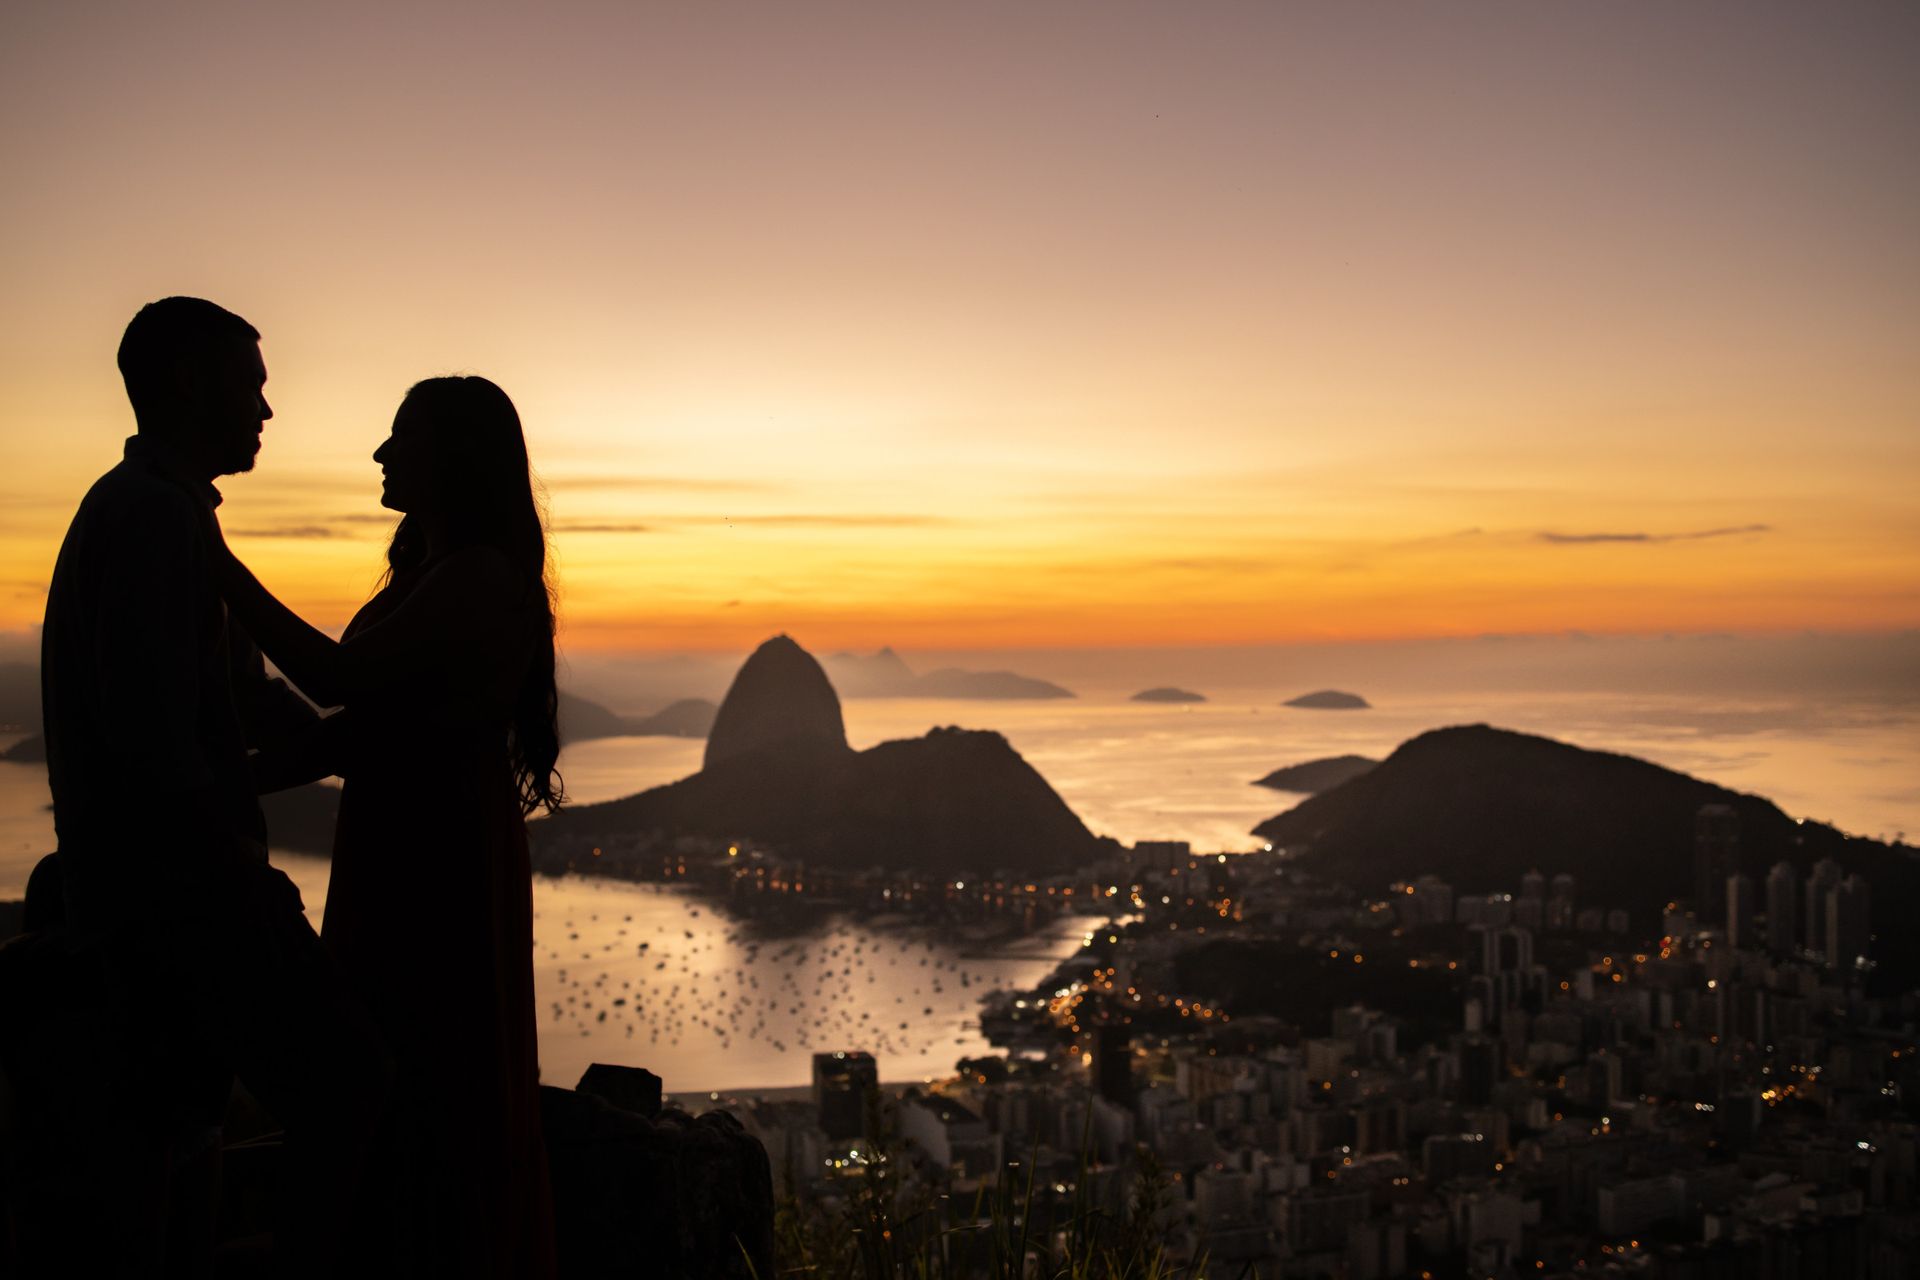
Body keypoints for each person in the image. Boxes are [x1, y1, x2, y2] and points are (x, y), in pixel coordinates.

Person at [34, 296, 389, 1276]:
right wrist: (233, 863)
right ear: (189, 384)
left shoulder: (163, 509)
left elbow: (232, 691)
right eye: (251, 384)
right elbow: (152, 729)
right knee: (344, 1079)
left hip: (155, 887)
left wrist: (328, 736)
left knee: (177, 1126)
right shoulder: (150, 515)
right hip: (179, 890)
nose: (267, 409)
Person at [210, 374, 560, 1277]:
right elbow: (354, 735)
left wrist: (213, 564)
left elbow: (337, 681)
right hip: (408, 841)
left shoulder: (481, 575)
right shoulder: (437, 572)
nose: (381, 453)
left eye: (401, 436)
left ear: (453, 456)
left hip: (437, 857)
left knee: (430, 1067)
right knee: (390, 1063)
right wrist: (230, 781)